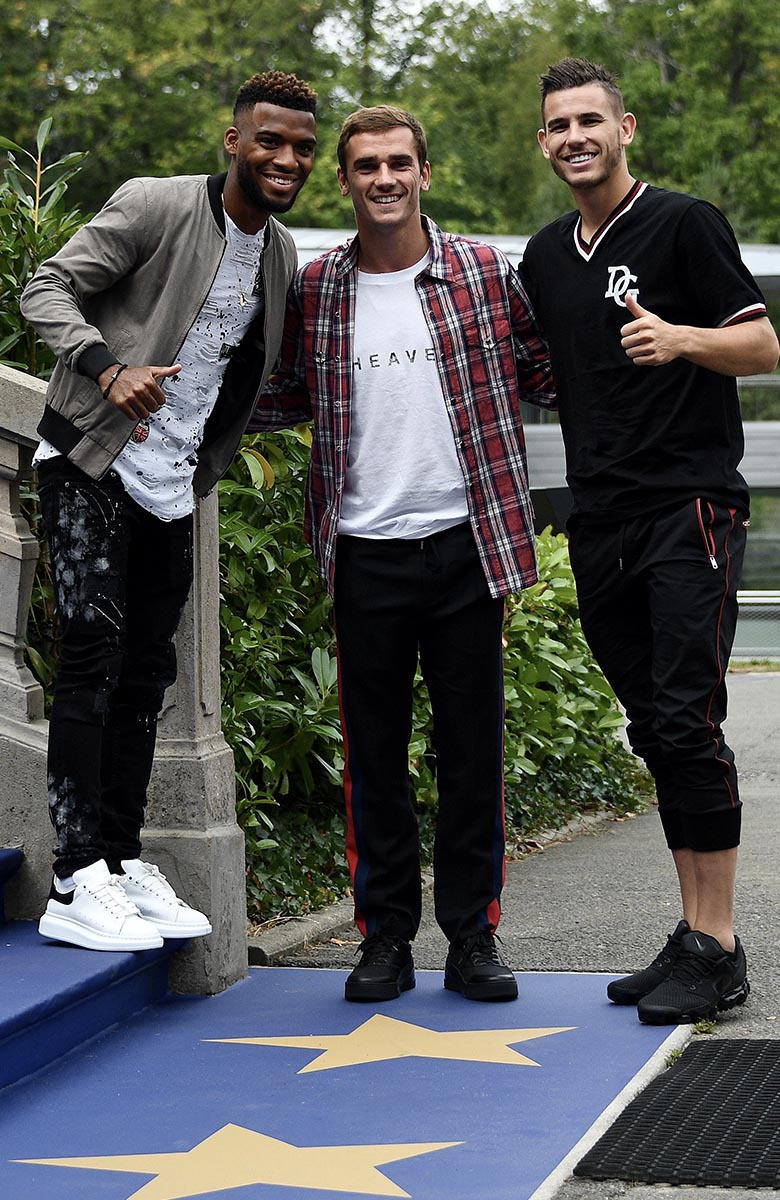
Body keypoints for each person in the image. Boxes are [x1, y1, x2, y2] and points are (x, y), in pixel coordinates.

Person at [249, 105, 555, 1003]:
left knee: (473, 754)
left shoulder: (485, 275)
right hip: (364, 552)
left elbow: (551, 369)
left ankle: (473, 939)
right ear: (344, 182)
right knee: (372, 757)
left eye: (399, 164)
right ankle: (383, 938)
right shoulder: (317, 288)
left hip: (468, 547)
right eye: (365, 166)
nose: (384, 179)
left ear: (426, 172)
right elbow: (273, 394)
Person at [20, 70, 318, 952]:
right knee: (93, 654)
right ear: (234, 141)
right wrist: (108, 367)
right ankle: (75, 876)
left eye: (302, 147)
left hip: (171, 480)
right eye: (269, 140)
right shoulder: (157, 204)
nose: (286, 159)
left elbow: (245, 366)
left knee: (148, 671)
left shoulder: (280, 252)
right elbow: (45, 287)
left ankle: (118, 858)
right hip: (90, 458)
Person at [520, 58, 779, 1024]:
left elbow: (762, 347)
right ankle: (693, 934)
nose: (576, 136)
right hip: (600, 519)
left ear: (624, 129)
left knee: (685, 720)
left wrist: (679, 338)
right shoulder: (546, 258)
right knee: (652, 728)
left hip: (689, 509)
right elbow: (533, 367)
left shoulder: (684, 223)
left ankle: (718, 945)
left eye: (592, 119)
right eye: (559, 125)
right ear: (543, 143)